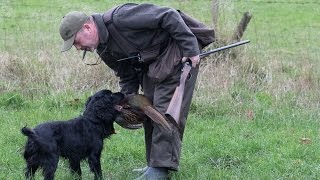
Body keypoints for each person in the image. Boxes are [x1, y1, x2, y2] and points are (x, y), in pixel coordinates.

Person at [59, 3, 214, 179]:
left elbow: (168, 15)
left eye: (76, 42)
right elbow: (125, 73)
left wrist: (191, 48)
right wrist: (129, 100)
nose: (78, 48)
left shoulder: (122, 17)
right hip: (152, 66)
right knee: (147, 108)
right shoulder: (102, 46)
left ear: (87, 27)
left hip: (178, 53)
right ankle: (153, 164)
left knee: (165, 111)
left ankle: (161, 169)